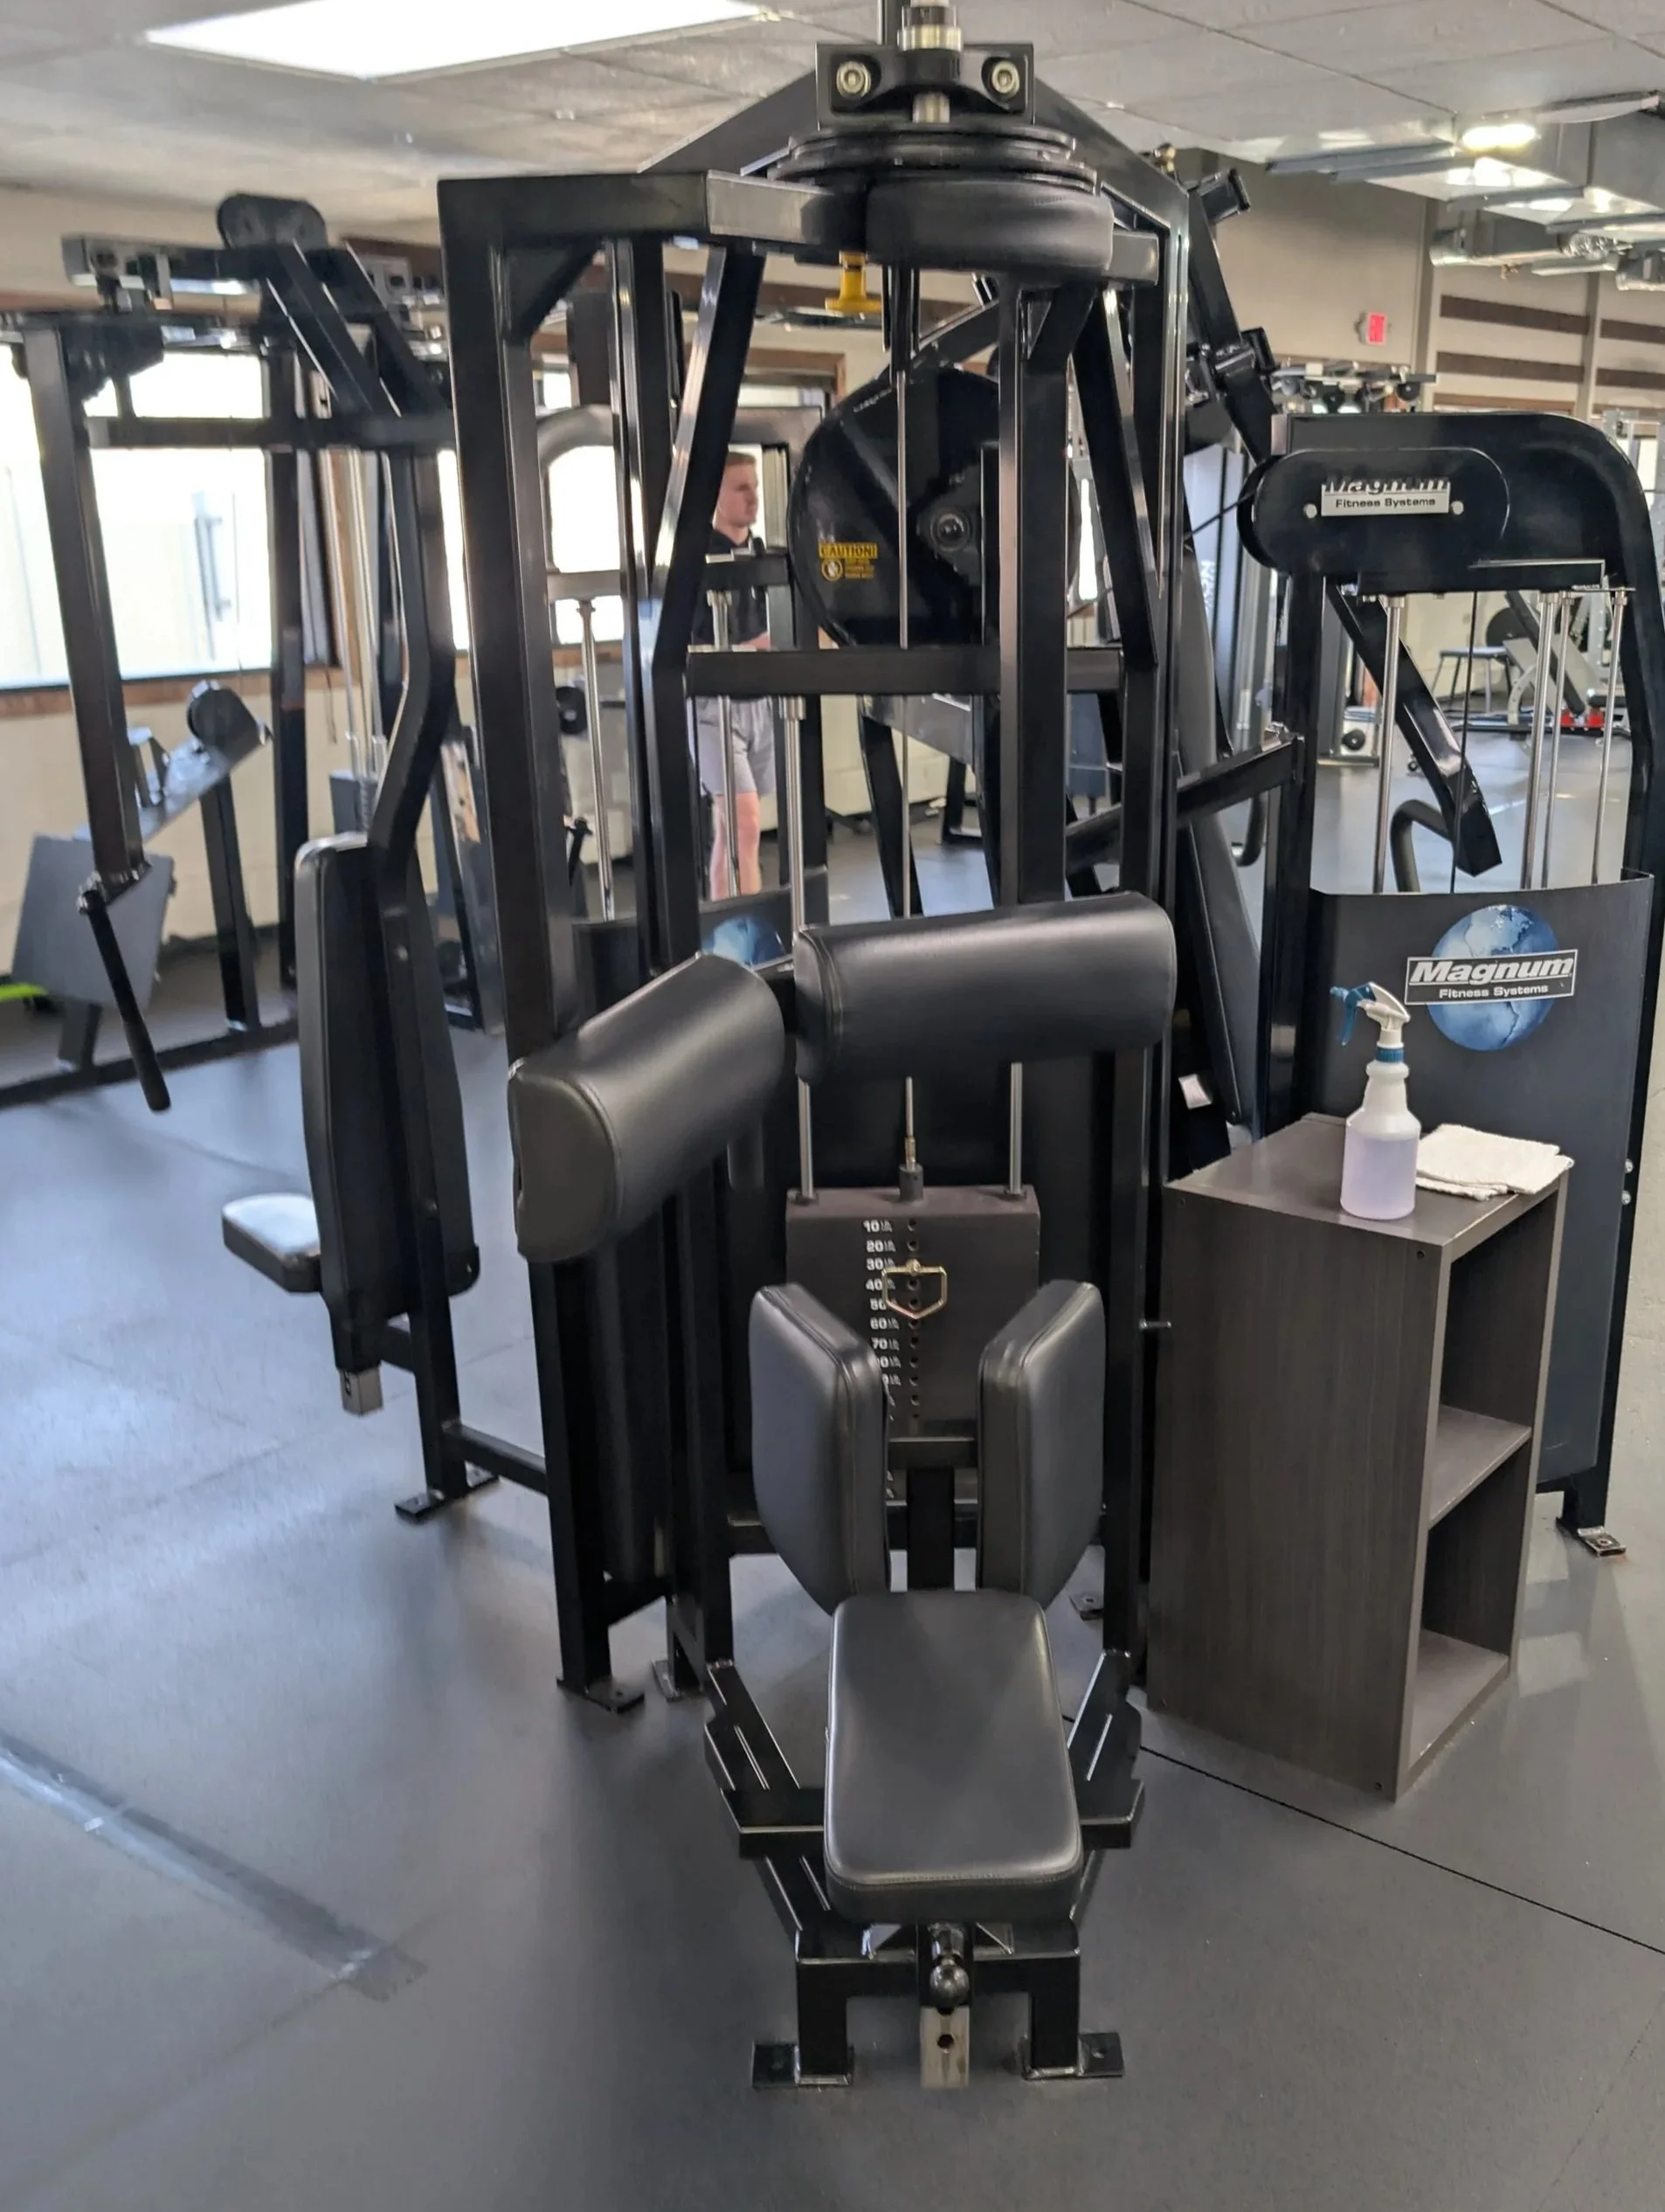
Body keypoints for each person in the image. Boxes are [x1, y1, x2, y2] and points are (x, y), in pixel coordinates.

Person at [693, 452, 775, 898]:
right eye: (741, 488)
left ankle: (737, 939)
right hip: (714, 706)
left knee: (737, 831)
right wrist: (753, 647)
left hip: (758, 701)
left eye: (755, 486)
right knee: (744, 822)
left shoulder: (760, 555)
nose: (753, 497)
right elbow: (687, 641)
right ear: (716, 496)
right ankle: (750, 939)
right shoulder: (696, 559)